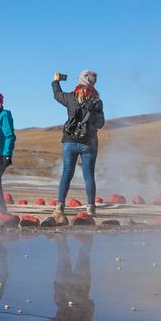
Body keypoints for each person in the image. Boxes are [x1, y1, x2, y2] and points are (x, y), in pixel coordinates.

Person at [52, 70, 105, 217]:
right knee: (89, 175)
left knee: (66, 173)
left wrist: (56, 81)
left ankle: (60, 206)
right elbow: (101, 124)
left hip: (70, 142)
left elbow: (57, 95)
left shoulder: (70, 97)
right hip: (89, 142)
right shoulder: (97, 101)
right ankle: (90, 207)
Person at [38, 236, 94, 321]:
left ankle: (66, 231)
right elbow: (91, 305)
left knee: (69, 255)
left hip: (71, 287)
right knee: (77, 256)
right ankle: (86, 231)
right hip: (74, 287)